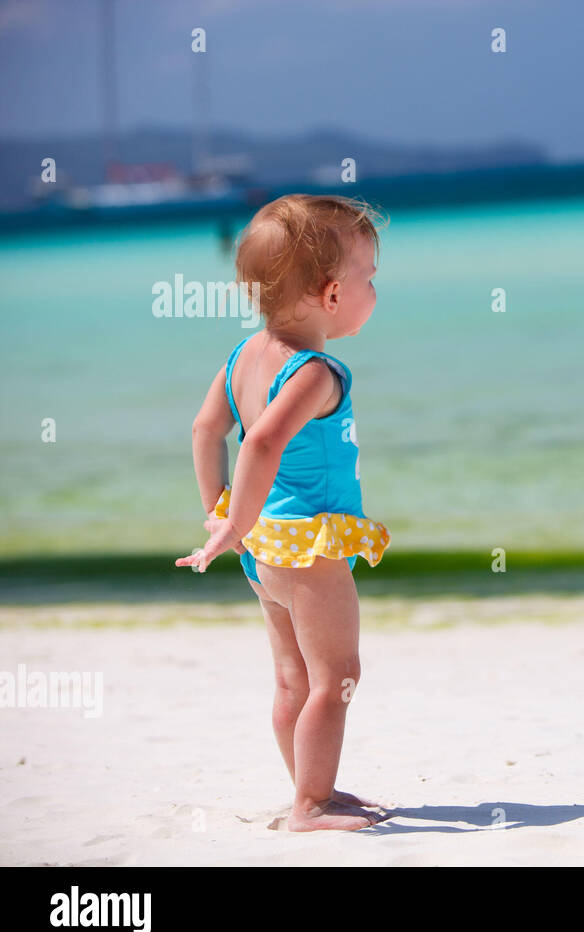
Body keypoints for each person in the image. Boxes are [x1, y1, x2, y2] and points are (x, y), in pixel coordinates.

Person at [176, 194, 392, 831]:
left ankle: (311, 786)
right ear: (330, 295)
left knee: (292, 678)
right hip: (309, 551)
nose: (373, 289)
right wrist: (233, 523)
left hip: (266, 550)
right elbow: (264, 442)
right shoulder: (318, 374)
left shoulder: (243, 357)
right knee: (337, 676)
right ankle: (309, 805)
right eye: (369, 278)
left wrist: (223, 518)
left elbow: (205, 430)